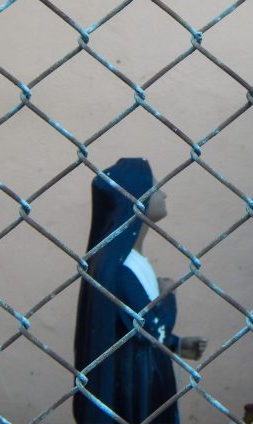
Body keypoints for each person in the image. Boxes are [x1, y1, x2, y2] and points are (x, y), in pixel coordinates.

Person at [73, 158, 207, 424]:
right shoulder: (119, 270)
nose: (164, 193)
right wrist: (168, 296)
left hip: (148, 379)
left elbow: (134, 332)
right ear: (136, 199)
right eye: (156, 187)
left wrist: (176, 344)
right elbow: (149, 327)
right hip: (137, 391)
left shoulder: (135, 261)